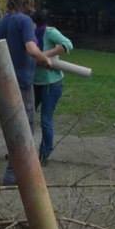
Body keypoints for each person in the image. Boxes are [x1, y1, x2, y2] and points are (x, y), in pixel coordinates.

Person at [0, 0, 51, 186]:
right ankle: (15, 173)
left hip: (3, 79)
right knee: (24, 127)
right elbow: (31, 48)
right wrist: (45, 59)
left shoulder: (2, 21)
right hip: (22, 82)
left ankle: (16, 171)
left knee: (13, 125)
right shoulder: (25, 20)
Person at [31, 9, 73, 166]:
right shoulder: (29, 33)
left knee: (45, 120)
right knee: (25, 117)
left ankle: (44, 154)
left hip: (51, 84)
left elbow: (68, 45)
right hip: (33, 83)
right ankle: (22, 153)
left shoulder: (50, 32)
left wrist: (44, 55)